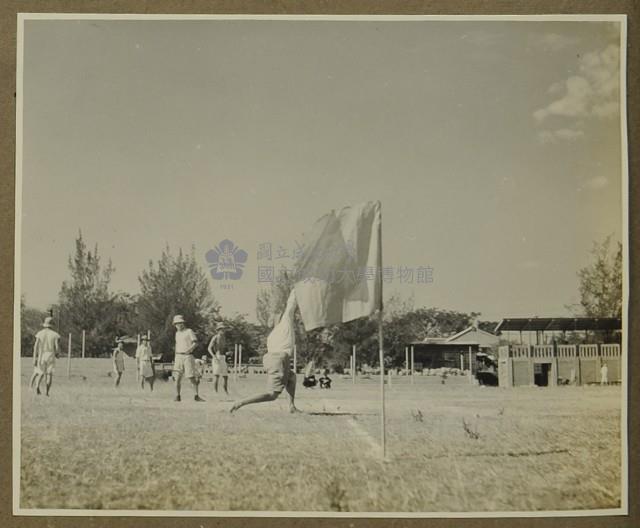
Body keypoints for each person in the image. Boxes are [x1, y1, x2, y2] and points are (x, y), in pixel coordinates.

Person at [230, 290, 299, 413]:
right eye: (278, 315)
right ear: (276, 321)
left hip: (272, 358)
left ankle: (291, 407)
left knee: (292, 377)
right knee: (272, 394)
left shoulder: (272, 336)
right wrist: (295, 289)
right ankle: (240, 403)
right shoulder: (285, 324)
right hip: (280, 358)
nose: (280, 314)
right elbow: (291, 304)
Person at [172, 315, 205, 402]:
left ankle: (196, 395)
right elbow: (177, 345)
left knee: (190, 377)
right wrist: (175, 355)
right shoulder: (177, 333)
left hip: (188, 356)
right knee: (177, 377)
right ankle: (177, 396)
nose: (178, 325)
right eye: (176, 324)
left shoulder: (189, 331)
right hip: (178, 356)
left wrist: (189, 350)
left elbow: (195, 343)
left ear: (183, 323)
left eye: (179, 323)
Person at [30, 316, 61, 396]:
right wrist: (57, 354)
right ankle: (47, 392)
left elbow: (35, 346)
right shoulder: (55, 335)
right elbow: (56, 346)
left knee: (40, 373)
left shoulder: (40, 333)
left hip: (41, 354)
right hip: (50, 354)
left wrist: (34, 357)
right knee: (49, 374)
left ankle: (37, 386)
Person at [208, 323, 229, 394]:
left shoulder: (224, 338)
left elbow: (224, 349)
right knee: (216, 375)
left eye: (224, 329)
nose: (223, 330)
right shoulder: (215, 337)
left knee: (225, 376)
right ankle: (215, 392)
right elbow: (209, 348)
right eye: (221, 329)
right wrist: (214, 356)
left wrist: (228, 353)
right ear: (218, 330)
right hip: (217, 357)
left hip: (223, 357)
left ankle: (225, 391)